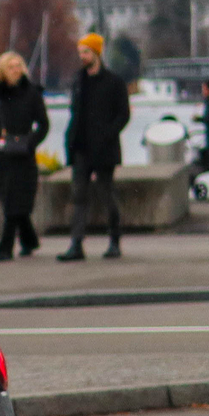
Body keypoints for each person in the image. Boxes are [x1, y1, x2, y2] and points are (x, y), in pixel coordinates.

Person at [59, 32, 129, 261]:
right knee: (78, 196)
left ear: (97, 53)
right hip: (81, 147)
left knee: (106, 194)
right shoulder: (78, 81)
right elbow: (74, 112)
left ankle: (114, 240)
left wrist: (107, 133)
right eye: (80, 52)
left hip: (104, 149)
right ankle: (76, 243)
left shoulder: (114, 82)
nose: (82, 56)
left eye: (86, 52)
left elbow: (123, 114)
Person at [0, 50, 49, 261]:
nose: (16, 70)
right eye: (11, 67)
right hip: (3, 156)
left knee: (18, 200)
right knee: (10, 200)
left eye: (18, 66)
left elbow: (44, 124)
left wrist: (30, 142)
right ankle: (29, 239)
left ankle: (5, 245)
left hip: (24, 155)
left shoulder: (31, 93)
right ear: (2, 70)